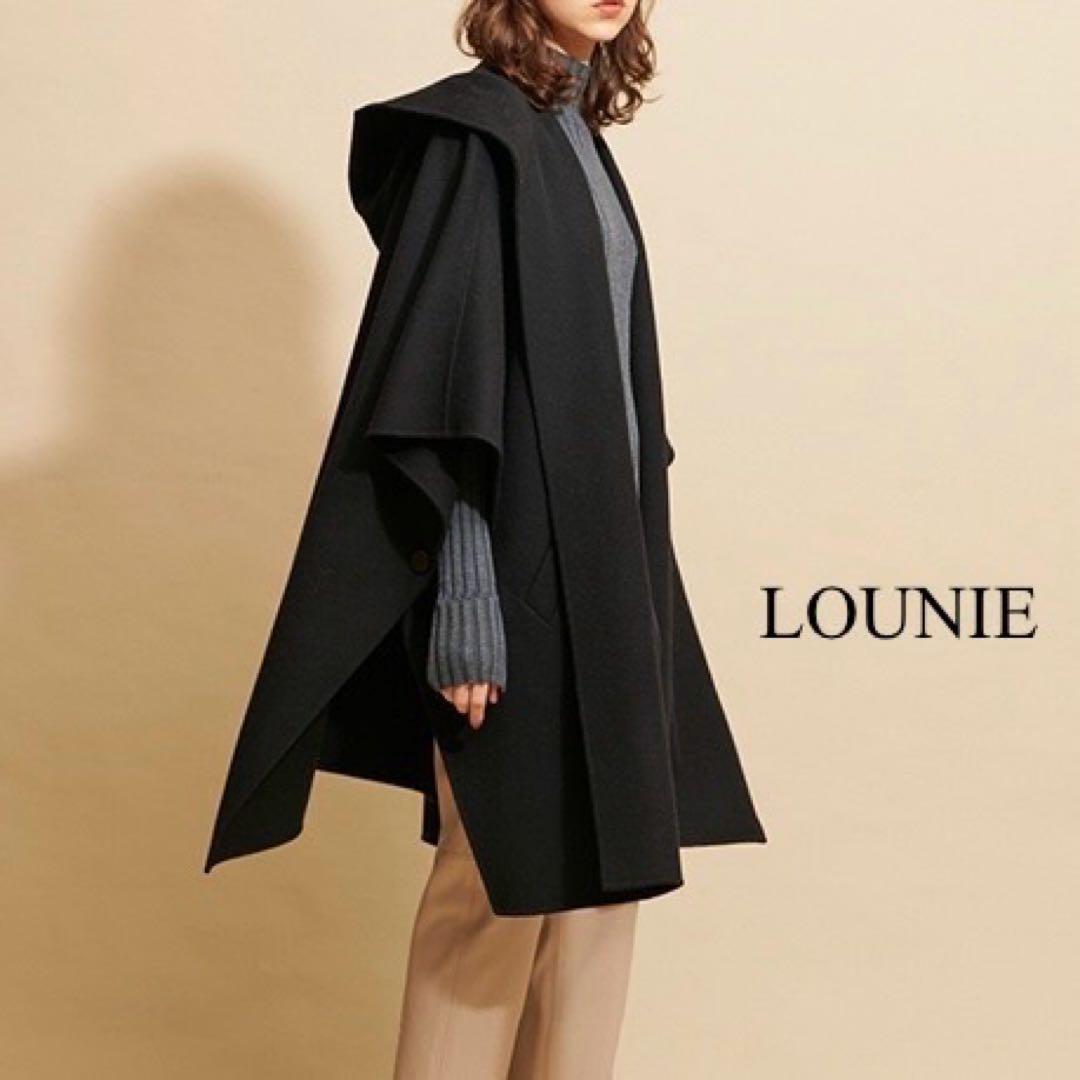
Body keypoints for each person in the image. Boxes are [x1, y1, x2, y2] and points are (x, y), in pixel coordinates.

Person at [204, 1, 767, 1076]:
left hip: (611, 568)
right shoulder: (478, 137)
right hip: (515, 575)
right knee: (497, 884)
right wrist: (467, 607)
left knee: (602, 897)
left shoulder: (576, 134)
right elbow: (442, 385)